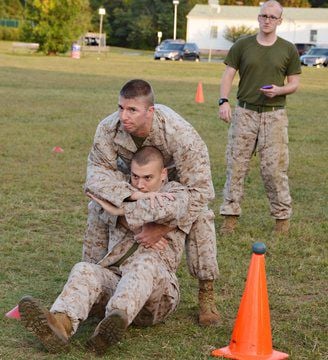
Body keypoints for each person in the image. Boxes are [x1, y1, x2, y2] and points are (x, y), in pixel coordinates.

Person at [18, 146, 190, 355]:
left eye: (147, 178)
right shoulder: (126, 191)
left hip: (158, 297)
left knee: (144, 264)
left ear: (163, 174)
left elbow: (170, 209)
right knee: (85, 269)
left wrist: (119, 209)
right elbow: (92, 190)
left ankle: (113, 322)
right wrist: (132, 201)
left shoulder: (176, 192)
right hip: (117, 283)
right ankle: (61, 325)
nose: (140, 184)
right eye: (135, 177)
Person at [83, 79, 220, 325]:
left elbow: (201, 192)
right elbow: (95, 175)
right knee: (97, 207)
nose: (123, 116)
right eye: (120, 107)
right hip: (133, 183)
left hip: (175, 186)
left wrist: (164, 227)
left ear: (150, 111)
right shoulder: (108, 128)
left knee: (201, 216)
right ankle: (94, 285)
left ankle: (206, 293)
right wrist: (131, 200)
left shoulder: (180, 134)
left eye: (132, 110)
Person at [218, 0, 301, 235]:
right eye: (264, 15)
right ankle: (230, 217)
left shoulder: (288, 49)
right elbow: (228, 75)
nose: (267, 20)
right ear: (258, 17)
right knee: (236, 166)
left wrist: (279, 90)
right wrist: (223, 101)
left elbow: (294, 83)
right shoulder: (242, 45)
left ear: (279, 21)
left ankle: (281, 219)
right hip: (245, 113)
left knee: (274, 169)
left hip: (274, 115)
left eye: (272, 17)